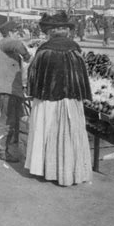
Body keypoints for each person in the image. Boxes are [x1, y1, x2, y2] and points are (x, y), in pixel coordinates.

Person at [25, 11, 93, 186]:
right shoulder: (75, 49)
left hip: (47, 100)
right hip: (70, 100)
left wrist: (34, 92)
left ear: (50, 32)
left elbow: (32, 75)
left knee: (45, 131)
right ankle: (70, 172)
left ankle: (46, 169)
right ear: (66, 31)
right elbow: (82, 75)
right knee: (70, 133)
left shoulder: (43, 50)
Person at [0, 20, 32, 163]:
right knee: (7, 120)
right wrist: (28, 56)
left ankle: (6, 148)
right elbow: (18, 45)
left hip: (11, 89)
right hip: (6, 89)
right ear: (9, 33)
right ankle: (1, 151)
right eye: (15, 32)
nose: (17, 35)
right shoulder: (5, 42)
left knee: (12, 120)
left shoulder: (4, 45)